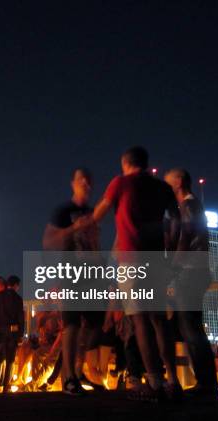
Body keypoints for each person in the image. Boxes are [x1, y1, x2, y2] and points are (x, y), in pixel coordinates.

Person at [79, 146, 182, 401]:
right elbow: (177, 221)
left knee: (140, 321)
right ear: (146, 163)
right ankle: (174, 380)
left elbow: (99, 213)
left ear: (125, 164)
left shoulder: (120, 183)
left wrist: (80, 225)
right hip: (158, 260)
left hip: (131, 260)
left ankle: (155, 383)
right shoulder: (163, 188)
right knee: (160, 320)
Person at [42, 167, 103, 395]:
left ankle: (78, 369)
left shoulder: (93, 211)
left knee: (96, 325)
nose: (85, 183)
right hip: (71, 274)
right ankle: (69, 378)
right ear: (73, 183)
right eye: (81, 180)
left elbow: (96, 243)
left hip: (94, 275)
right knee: (72, 325)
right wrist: (73, 228)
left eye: (89, 180)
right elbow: (48, 241)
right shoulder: (63, 211)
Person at [164, 168, 218, 399]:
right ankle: (207, 383)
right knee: (192, 327)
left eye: (168, 182)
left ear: (178, 182)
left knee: (190, 328)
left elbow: (184, 240)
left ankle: (206, 385)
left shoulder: (188, 206)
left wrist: (171, 269)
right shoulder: (189, 206)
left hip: (189, 272)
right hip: (194, 271)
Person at [0, 275, 24, 393]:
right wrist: (20, 334)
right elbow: (21, 318)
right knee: (10, 359)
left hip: (1, 330)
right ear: (16, 285)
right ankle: (6, 386)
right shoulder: (18, 299)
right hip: (13, 332)